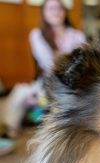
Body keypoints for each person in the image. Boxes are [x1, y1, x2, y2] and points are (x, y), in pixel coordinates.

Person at [2, 0, 86, 138]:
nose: (56, 12)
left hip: (74, 83)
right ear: (44, 13)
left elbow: (79, 64)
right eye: (51, 8)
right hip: (47, 83)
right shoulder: (37, 34)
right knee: (20, 93)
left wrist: (60, 59)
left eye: (59, 8)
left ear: (64, 12)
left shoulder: (77, 35)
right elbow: (49, 64)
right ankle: (11, 129)